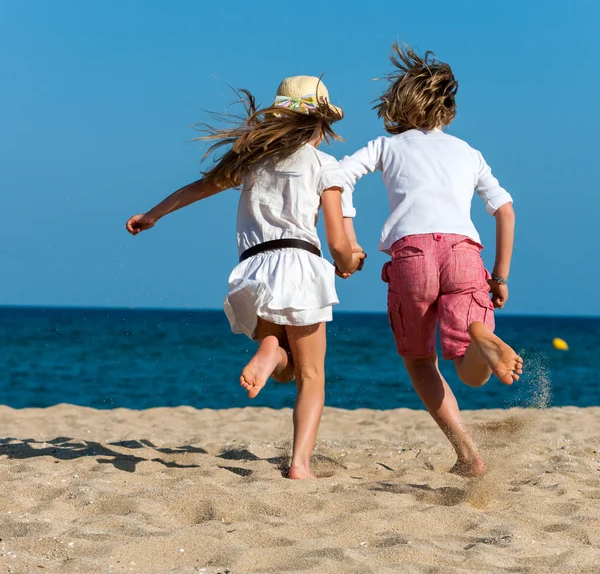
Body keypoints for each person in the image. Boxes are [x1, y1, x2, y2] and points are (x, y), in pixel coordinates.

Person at [126, 76, 365, 480]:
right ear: (321, 124)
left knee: (286, 370)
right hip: (300, 266)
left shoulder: (253, 160)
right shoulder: (327, 167)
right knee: (311, 376)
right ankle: (299, 465)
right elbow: (339, 243)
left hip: (254, 269)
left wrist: (153, 214)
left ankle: (270, 347)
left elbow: (200, 187)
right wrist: (351, 262)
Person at [339, 45, 523, 477]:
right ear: (449, 111)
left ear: (399, 106)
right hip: (463, 252)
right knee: (471, 373)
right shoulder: (468, 152)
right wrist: (500, 276)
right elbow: (506, 210)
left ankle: (467, 454)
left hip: (412, 255)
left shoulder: (386, 147)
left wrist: (347, 237)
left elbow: (336, 176)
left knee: (421, 360)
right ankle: (479, 334)